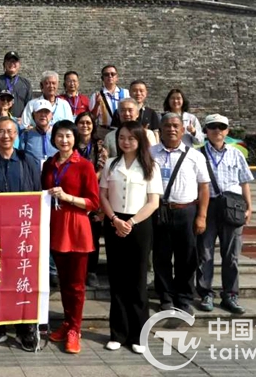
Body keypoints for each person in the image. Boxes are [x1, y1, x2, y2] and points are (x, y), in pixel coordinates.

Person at [0, 116, 40, 352]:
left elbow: (37, 193)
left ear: (17, 134)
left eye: (10, 131)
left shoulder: (27, 161)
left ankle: (25, 329)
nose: (6, 136)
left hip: (23, 232)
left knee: (22, 279)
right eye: (1, 131)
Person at [98, 121, 162, 353]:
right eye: (122, 137)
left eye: (131, 138)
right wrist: (115, 219)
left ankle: (138, 335)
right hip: (114, 222)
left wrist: (131, 222)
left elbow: (153, 202)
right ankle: (118, 333)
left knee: (137, 281)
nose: (126, 142)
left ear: (140, 140)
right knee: (117, 280)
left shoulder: (150, 166)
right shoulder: (111, 164)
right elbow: (103, 196)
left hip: (139, 224)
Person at [42, 120, 100, 355]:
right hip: (55, 227)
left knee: (76, 284)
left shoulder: (84, 165)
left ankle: (75, 329)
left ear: (75, 139)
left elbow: (93, 202)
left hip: (76, 228)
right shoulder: (49, 164)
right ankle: (67, 323)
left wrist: (67, 197)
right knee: (64, 282)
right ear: (53, 138)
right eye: (59, 136)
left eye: (68, 136)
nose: (64, 140)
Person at [150, 113, 211, 316]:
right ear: (160, 130)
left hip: (186, 212)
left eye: (176, 126)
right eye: (167, 126)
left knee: (187, 257)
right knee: (161, 257)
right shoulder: (150, 153)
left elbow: (204, 187)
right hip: (159, 211)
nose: (172, 129)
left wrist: (202, 216)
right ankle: (165, 297)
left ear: (183, 130)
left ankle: (184, 297)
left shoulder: (195, 155)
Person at [196, 114, 254, 315]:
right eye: (212, 127)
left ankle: (230, 294)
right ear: (206, 130)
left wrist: (249, 207)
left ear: (227, 131)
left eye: (221, 127)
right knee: (205, 253)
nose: (217, 131)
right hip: (208, 205)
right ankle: (206, 293)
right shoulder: (198, 154)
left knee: (231, 254)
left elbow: (244, 182)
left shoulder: (236, 154)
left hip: (232, 206)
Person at [74, 111, 107, 288]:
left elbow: (102, 167)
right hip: (74, 193)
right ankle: (78, 270)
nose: (85, 126)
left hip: (93, 193)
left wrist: (89, 180)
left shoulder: (98, 145)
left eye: (88, 123)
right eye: (81, 123)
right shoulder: (71, 143)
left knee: (93, 234)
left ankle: (91, 271)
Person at [0, 51, 32, 118]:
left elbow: (29, 105)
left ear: (19, 64)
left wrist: (24, 119)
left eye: (14, 61)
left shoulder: (26, 83)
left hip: (20, 121)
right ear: (4, 64)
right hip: (1, 119)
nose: (12, 63)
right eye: (9, 61)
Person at [88, 65, 129, 134]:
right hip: (104, 130)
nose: (110, 76)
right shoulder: (96, 95)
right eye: (106, 74)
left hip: (123, 129)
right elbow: (93, 118)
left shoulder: (126, 93)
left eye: (113, 74)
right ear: (102, 78)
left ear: (117, 77)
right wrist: (97, 104)